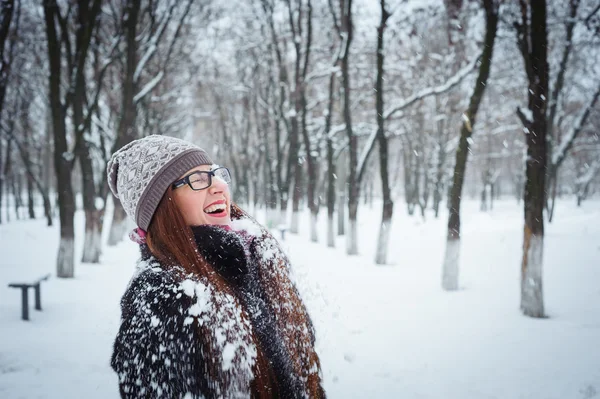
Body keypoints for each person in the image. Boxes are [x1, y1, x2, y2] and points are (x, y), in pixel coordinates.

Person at [107, 135, 325, 398]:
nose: (219, 187)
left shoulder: (256, 256)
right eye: (198, 180)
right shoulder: (159, 294)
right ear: (162, 206)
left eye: (216, 174)